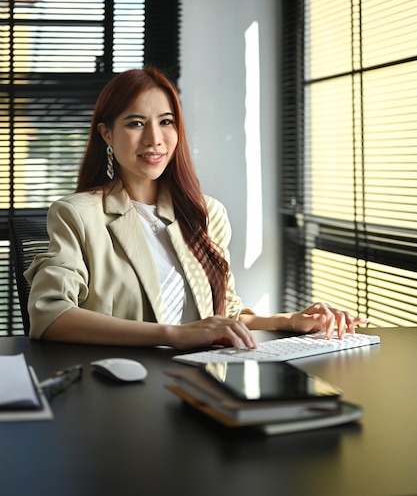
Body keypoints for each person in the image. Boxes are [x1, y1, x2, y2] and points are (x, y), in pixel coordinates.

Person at [25, 67, 367, 349]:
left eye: (166, 122)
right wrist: (175, 335)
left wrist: (290, 320)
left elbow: (224, 312)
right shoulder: (79, 214)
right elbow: (49, 315)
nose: (154, 139)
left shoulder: (206, 213)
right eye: (135, 123)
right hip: (118, 392)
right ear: (107, 134)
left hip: (202, 384)